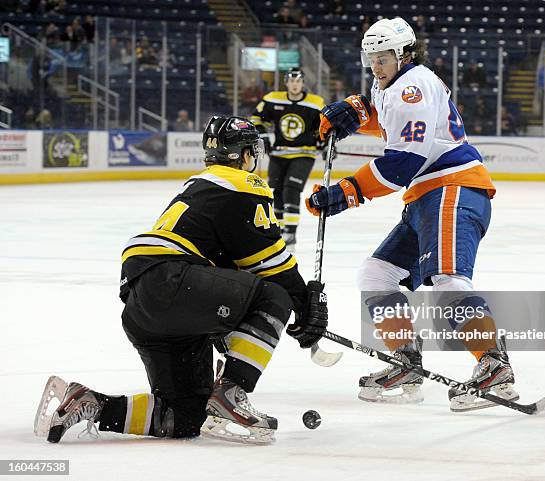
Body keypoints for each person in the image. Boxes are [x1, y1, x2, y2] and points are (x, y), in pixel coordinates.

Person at [35, 116, 328, 445]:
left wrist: (234, 324)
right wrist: (305, 306)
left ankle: (93, 404)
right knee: (274, 297)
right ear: (245, 155)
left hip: (147, 302)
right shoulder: (243, 185)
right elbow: (272, 266)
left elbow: (232, 270)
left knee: (184, 416)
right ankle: (232, 392)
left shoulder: (203, 185)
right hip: (172, 281)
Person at [305, 17, 517, 411]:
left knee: (448, 280)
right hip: (425, 198)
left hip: (452, 189)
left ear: (404, 54)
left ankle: (495, 368)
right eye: (371, 58)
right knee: (377, 274)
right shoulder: (390, 84)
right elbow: (390, 119)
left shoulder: (413, 87)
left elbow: (402, 162)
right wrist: (358, 112)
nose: (376, 66)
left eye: (383, 58)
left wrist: (347, 192)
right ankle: (406, 359)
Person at [250, 67, 325, 250]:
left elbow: (325, 126)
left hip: (304, 153)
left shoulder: (316, 103)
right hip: (279, 153)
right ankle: (279, 229)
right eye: (292, 81)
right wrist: (264, 138)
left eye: (298, 81)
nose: (295, 85)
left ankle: (290, 233)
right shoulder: (273, 98)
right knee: (275, 190)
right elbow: (256, 119)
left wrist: (326, 143)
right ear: (286, 83)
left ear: (303, 83)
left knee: (291, 189)